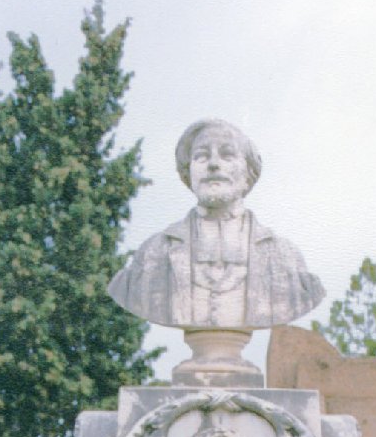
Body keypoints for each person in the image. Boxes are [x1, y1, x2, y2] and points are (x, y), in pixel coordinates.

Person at [108, 119, 324, 330]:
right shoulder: (153, 254)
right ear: (188, 173)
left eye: (227, 155)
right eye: (201, 156)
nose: (213, 164)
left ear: (248, 174)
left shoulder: (284, 257)